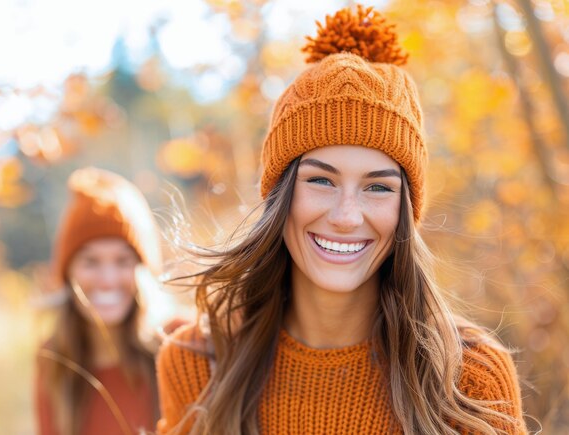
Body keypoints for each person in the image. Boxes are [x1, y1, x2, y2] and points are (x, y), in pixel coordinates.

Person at [156, 5, 527, 435]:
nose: (347, 217)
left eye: (378, 187)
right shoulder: (197, 364)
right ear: (279, 195)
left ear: (405, 212)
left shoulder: (469, 380)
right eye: (321, 181)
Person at [35, 167, 167, 435]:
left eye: (123, 261)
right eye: (90, 262)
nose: (107, 280)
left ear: (143, 269)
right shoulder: (53, 358)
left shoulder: (181, 343)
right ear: (67, 271)